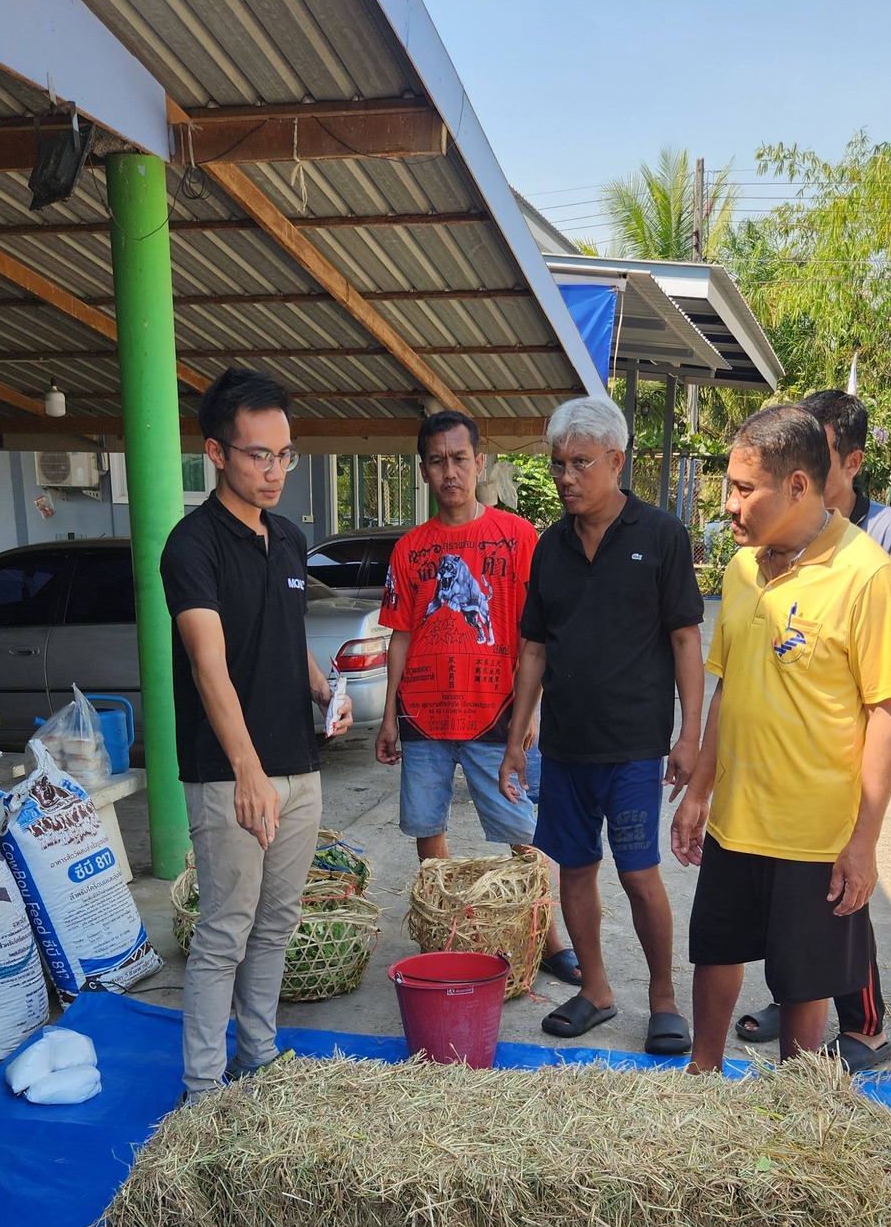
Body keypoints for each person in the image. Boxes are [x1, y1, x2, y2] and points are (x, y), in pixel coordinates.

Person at [670, 404, 891, 1073]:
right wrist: (699, 792)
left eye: (744, 489)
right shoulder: (743, 570)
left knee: (803, 984)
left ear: (799, 485)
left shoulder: (866, 575)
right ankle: (702, 1076)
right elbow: (730, 685)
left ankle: (797, 1112)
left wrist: (864, 839)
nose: (729, 504)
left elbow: (886, 714)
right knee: (715, 951)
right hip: (736, 820)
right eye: (729, 486)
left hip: (815, 833)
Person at [160, 366, 351, 1098]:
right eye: (257, 455)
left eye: (285, 454)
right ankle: (203, 1086)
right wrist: (246, 773)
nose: (275, 472)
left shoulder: (291, 539)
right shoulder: (193, 546)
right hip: (229, 772)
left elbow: (284, 628)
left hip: (299, 763)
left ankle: (259, 1051)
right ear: (216, 453)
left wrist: (320, 686)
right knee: (223, 933)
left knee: (278, 923)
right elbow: (211, 668)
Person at [500, 396, 704, 1054]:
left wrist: (690, 735)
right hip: (565, 747)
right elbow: (534, 646)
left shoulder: (660, 535)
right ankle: (595, 990)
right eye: (558, 464)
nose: (565, 477)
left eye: (579, 464)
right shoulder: (549, 547)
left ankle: (664, 999)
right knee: (576, 869)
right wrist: (515, 738)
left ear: (616, 461)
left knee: (639, 873)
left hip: (636, 749)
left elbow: (684, 641)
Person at [734, 388, 891, 1067]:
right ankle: (795, 1001)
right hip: (782, 765)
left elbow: (883, 675)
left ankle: (866, 1026)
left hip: (840, 752)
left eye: (817, 456)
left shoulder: (883, 541)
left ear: (848, 462)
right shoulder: (780, 540)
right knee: (795, 913)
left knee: (843, 897)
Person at [374, 410, 577, 982]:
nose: (450, 472)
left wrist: (531, 709)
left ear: (479, 463)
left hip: (499, 713)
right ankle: (445, 936)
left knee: (525, 834)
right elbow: (401, 635)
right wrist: (389, 715)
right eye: (437, 462)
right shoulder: (410, 549)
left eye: (459, 459)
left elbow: (535, 632)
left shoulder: (518, 537)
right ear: (423, 471)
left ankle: (549, 938)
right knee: (426, 827)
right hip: (424, 716)